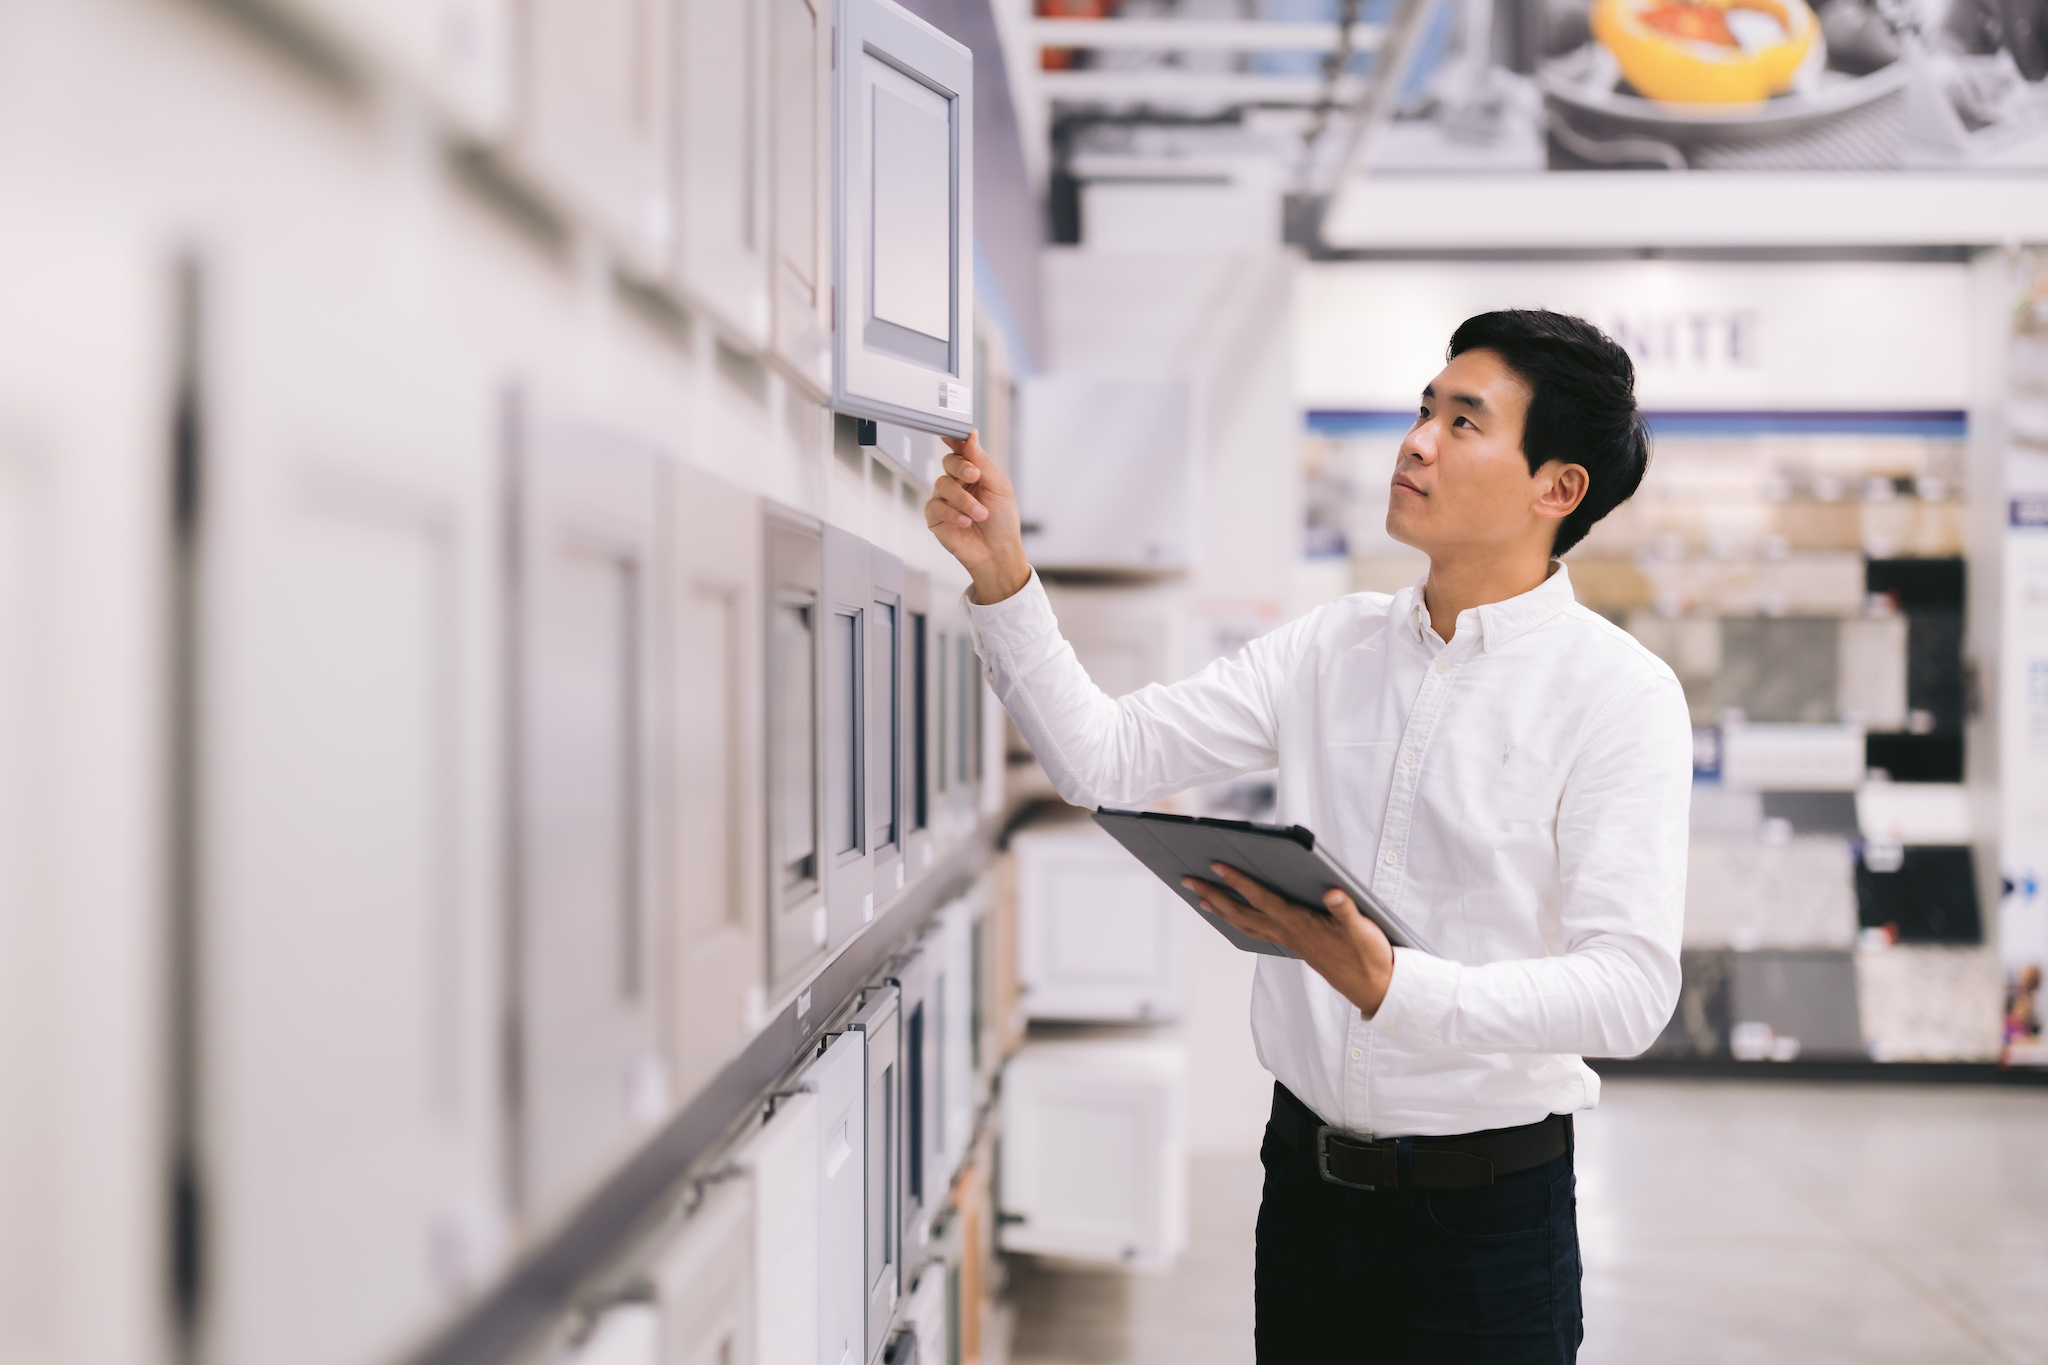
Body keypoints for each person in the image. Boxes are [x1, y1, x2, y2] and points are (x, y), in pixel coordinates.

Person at [926, 309, 1691, 1363]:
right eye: (1423, 410)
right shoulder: (1331, 649)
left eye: (1462, 423)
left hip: (1485, 1225)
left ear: (1555, 489)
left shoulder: (1618, 697)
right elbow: (1102, 759)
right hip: (1304, 1195)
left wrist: (1393, 985)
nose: (1414, 441)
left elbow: (1628, 989)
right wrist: (1001, 573)